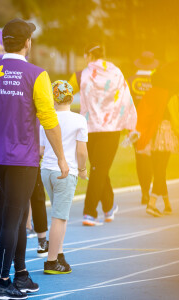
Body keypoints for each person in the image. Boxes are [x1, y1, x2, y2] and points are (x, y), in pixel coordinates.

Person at [0, 18, 68, 300]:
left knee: (18, 212)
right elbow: (49, 119)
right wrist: (62, 157)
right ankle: (1, 282)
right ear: (27, 43)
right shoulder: (36, 74)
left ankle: (21, 274)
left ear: (4, 42)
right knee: (13, 217)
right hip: (22, 158)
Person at [68, 43, 137, 226]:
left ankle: (108, 207)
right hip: (111, 128)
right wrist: (130, 124)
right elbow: (126, 99)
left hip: (88, 128)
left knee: (99, 167)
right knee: (100, 168)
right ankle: (89, 213)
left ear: (88, 56)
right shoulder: (117, 73)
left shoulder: (80, 75)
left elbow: (63, 93)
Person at [41, 80, 88, 274]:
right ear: (71, 97)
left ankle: (59, 254)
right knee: (59, 217)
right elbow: (82, 151)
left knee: (60, 214)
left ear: (53, 98)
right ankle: (51, 262)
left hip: (47, 171)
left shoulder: (45, 118)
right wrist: (83, 169)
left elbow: (41, 149)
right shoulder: (79, 120)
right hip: (66, 172)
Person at [131, 63, 179, 217]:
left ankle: (167, 204)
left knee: (159, 168)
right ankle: (152, 203)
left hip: (153, 135)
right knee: (161, 169)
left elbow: (143, 113)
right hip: (166, 133)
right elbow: (176, 118)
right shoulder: (170, 95)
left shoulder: (151, 93)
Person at [127, 51, 159, 205]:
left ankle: (144, 191)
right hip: (154, 124)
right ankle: (152, 189)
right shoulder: (157, 81)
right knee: (154, 158)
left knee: (140, 159)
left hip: (136, 126)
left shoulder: (130, 80)